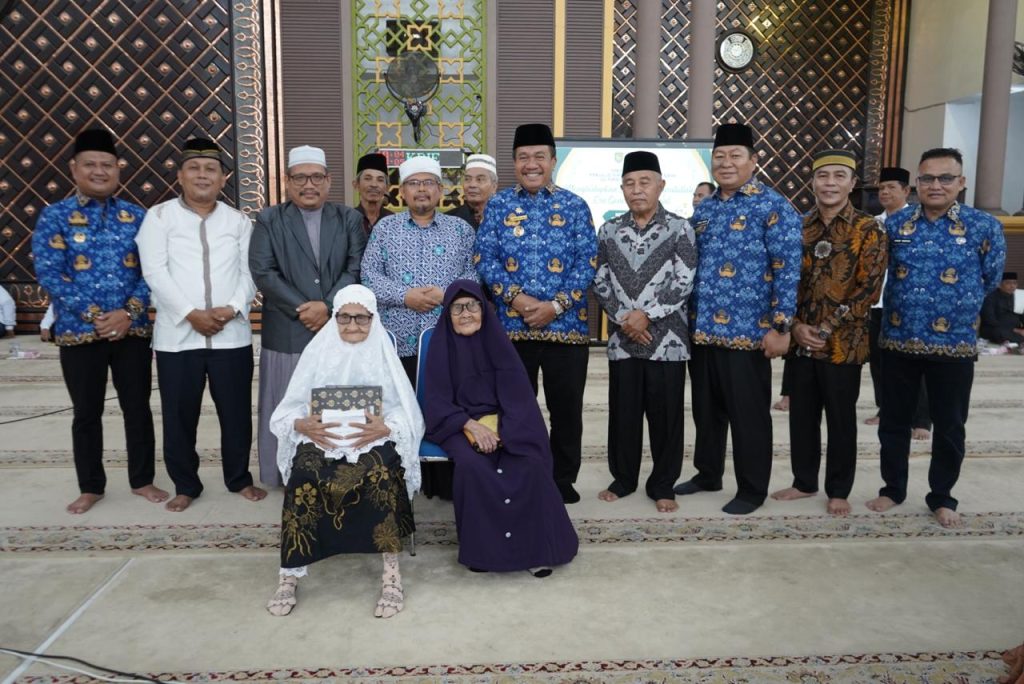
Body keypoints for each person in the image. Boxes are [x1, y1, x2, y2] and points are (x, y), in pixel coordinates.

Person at [867, 148, 1006, 528]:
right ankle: (892, 488)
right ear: (917, 184)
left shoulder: (983, 226)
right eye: (927, 178)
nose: (936, 185)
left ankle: (942, 496)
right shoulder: (896, 225)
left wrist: (955, 303)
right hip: (898, 339)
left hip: (954, 345)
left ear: (961, 182)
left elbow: (991, 278)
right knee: (893, 422)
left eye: (946, 178)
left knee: (949, 425)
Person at [31, 128, 167, 514]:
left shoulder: (137, 217)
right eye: (90, 164)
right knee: (86, 413)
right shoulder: (55, 216)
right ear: (74, 168)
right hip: (79, 334)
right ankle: (91, 486)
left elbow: (152, 271)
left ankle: (142, 479)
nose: (99, 171)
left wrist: (128, 313)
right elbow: (51, 274)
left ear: (118, 169)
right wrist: (95, 317)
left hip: (131, 331)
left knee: (137, 409)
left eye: (107, 164)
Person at [266, 284, 422, 618]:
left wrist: (387, 428)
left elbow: (407, 412)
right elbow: (287, 410)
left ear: (373, 318)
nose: (353, 325)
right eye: (345, 317)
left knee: (382, 472)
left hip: (372, 439)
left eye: (361, 318)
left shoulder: (383, 354)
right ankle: (289, 573)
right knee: (304, 473)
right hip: (321, 438)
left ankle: (391, 573)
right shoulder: (317, 353)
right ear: (334, 318)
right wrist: (302, 424)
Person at [673, 122, 803, 515]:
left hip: (750, 333)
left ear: (753, 160)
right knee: (706, 412)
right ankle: (708, 473)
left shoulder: (773, 206)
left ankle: (752, 488)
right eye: (720, 156)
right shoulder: (705, 209)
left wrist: (782, 327)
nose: (726, 163)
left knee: (749, 416)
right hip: (703, 331)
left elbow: (788, 269)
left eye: (735, 156)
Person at [136, 137, 265, 512]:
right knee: (179, 416)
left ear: (223, 178)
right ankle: (186, 484)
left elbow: (250, 272)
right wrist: (190, 313)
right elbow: (154, 272)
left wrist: (232, 308)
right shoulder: (159, 217)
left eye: (211, 169)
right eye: (194, 168)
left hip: (231, 335)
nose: (202, 175)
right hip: (178, 338)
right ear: (180, 176)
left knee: (236, 414)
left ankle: (239, 478)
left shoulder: (238, 221)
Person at [475, 123, 598, 504]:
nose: (531, 164)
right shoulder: (498, 205)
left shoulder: (575, 205)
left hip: (567, 329)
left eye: (539, 156)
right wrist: (515, 299)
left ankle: (562, 480)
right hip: (512, 330)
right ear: (514, 162)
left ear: (553, 161)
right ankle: (522, 474)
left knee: (566, 412)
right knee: (515, 410)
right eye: (523, 157)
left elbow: (587, 262)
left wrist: (555, 306)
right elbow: (484, 258)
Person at [423, 280, 577, 575]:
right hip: (457, 423)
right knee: (473, 466)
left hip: (506, 419)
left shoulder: (498, 342)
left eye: (472, 306)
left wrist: (506, 431)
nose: (466, 314)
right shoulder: (441, 347)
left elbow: (519, 396)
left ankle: (537, 551)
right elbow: (435, 401)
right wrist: (469, 425)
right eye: (457, 308)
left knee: (529, 462)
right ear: (447, 314)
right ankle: (485, 553)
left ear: (484, 309)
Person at [770, 149, 887, 516]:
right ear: (813, 182)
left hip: (842, 345)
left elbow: (868, 290)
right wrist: (794, 326)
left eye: (839, 176)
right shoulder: (797, 225)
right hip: (800, 342)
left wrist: (823, 328)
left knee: (840, 419)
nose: (830, 183)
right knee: (802, 417)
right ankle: (804, 482)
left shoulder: (868, 229)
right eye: (823, 176)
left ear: (852, 184)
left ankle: (838, 489)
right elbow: (783, 280)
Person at [249, 145, 367, 487]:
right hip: (288, 330)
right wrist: (305, 309)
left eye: (316, 177)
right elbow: (263, 272)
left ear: (328, 181)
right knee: (287, 404)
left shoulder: (347, 218)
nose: (309, 184)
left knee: (334, 406)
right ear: (287, 181)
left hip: (337, 329)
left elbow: (355, 267)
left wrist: (327, 306)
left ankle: (334, 471)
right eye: (300, 177)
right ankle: (282, 473)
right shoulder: (269, 219)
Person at [592, 151, 697, 513]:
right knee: (623, 414)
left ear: (660, 186)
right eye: (629, 183)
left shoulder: (680, 228)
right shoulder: (608, 230)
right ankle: (623, 479)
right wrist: (626, 318)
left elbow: (684, 281)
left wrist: (646, 316)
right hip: (623, 340)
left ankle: (662, 484)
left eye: (644, 182)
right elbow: (600, 279)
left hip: (667, 342)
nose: (637, 190)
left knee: (666, 417)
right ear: (622, 188)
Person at [361, 156, 477, 383]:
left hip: (449, 336)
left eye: (429, 182)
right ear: (402, 192)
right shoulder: (385, 228)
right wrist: (404, 296)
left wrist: (447, 294)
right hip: (396, 341)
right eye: (413, 183)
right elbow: (369, 275)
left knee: (445, 400)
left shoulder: (461, 230)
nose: (421, 189)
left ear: (440, 190)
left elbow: (474, 273)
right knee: (399, 402)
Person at [865, 166, 931, 440]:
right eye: (881, 188)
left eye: (891, 187)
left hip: (909, 306)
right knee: (879, 363)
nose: (885, 192)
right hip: (876, 305)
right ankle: (885, 409)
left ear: (906, 191)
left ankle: (921, 419)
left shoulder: (919, 223)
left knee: (916, 363)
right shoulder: (872, 223)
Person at [446, 153, 498, 229]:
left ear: (494, 186)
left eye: (480, 179)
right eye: (467, 179)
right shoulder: (448, 220)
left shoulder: (505, 217)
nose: (472, 185)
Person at [352, 153, 393, 237]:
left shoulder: (393, 221)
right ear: (356, 185)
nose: (374, 184)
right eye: (368, 179)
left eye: (380, 180)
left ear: (387, 187)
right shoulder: (348, 219)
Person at [979, 272, 1024, 345]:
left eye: (1014, 283)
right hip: (995, 328)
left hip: (1015, 329)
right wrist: (1015, 330)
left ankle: (1017, 340)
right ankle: (1019, 340)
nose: (1012, 286)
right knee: (999, 332)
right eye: (1008, 283)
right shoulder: (990, 297)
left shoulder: (1018, 297)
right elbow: (989, 319)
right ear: (999, 285)